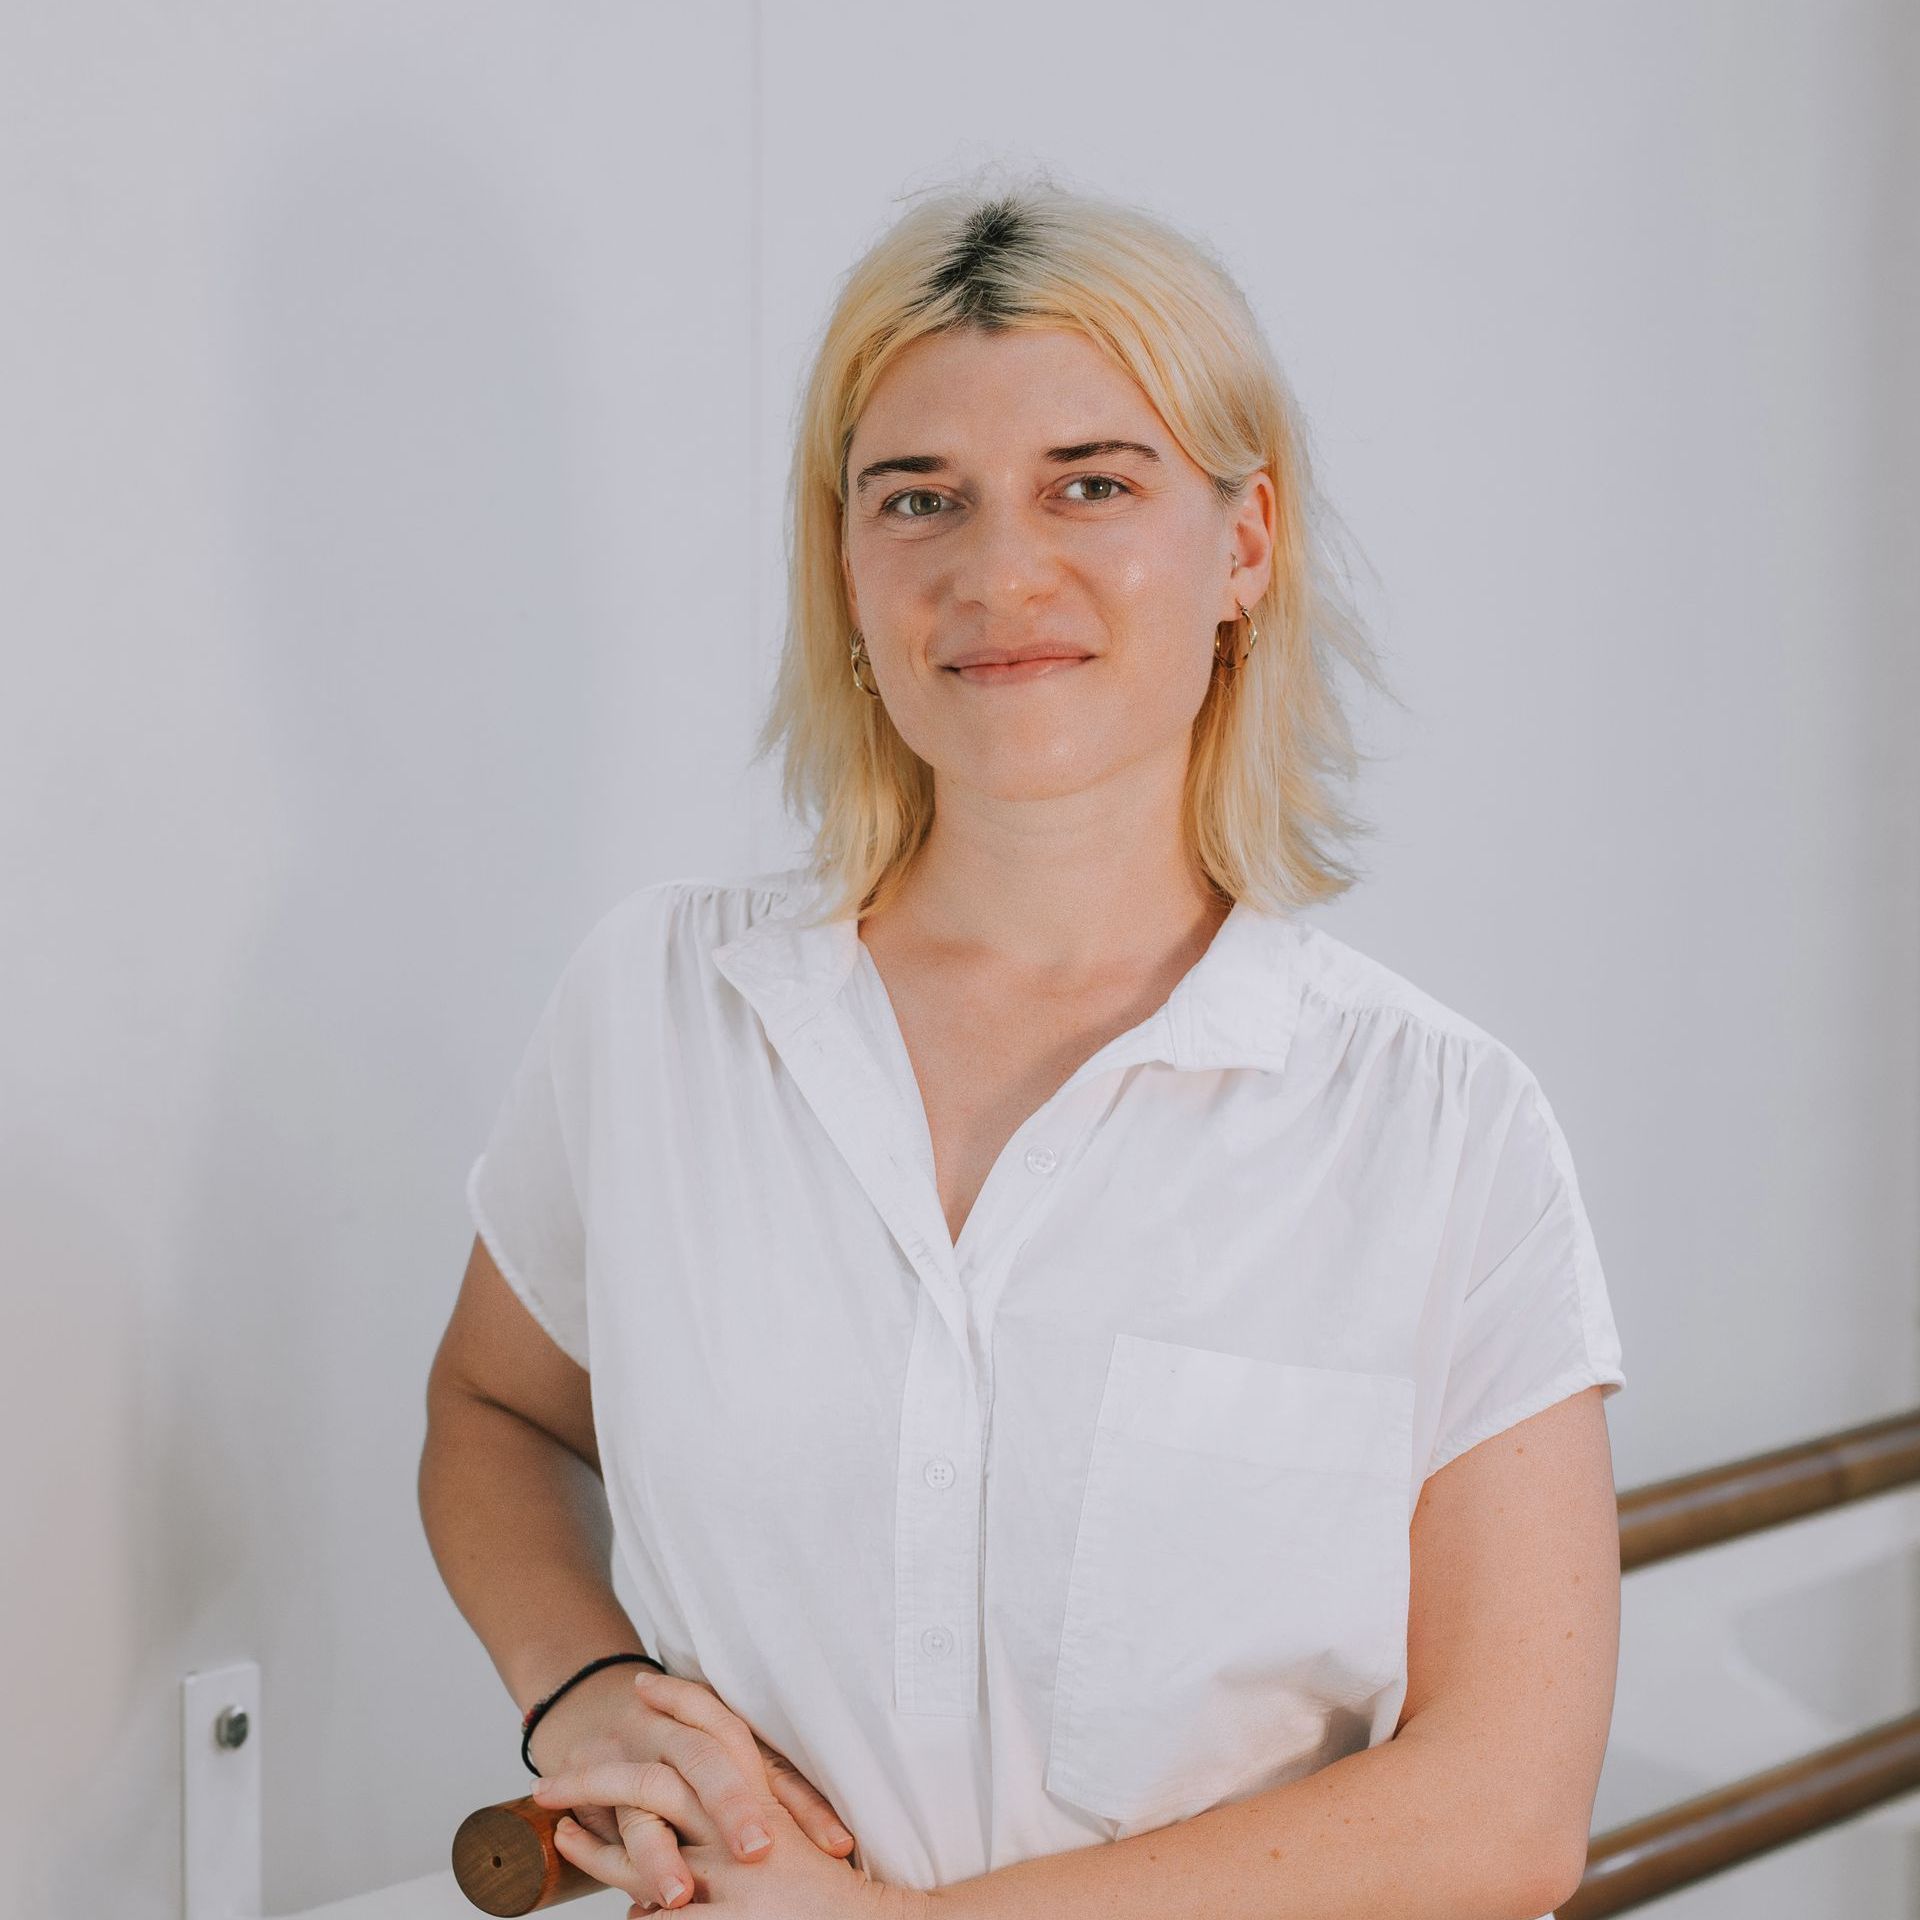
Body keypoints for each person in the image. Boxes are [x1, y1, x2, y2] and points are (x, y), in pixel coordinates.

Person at [419, 169, 1627, 1920]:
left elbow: (1502, 1815)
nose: (1000, 569)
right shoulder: (658, 1012)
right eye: (920, 498)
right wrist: (578, 1684)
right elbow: (492, 1407)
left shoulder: (1445, 1131)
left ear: (1245, 546)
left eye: (1092, 483)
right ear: (843, 565)